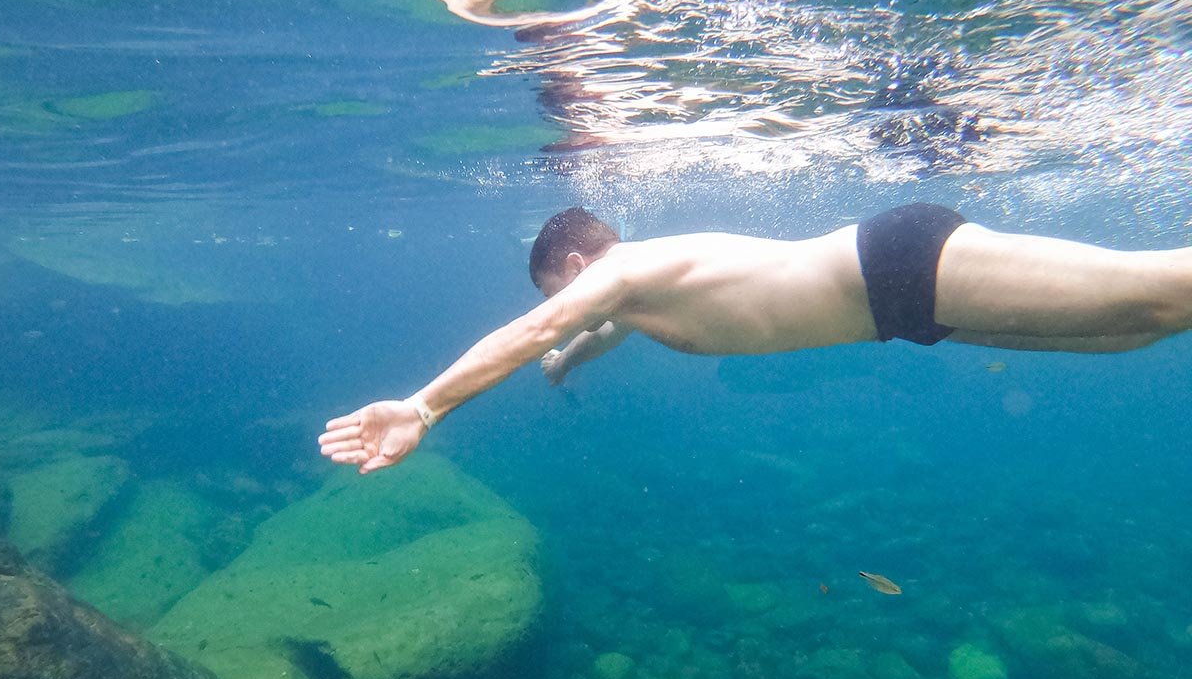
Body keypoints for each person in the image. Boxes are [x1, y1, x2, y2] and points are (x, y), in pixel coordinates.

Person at [318, 203, 1191, 474]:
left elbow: (547, 320)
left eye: (570, 292)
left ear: (583, 261)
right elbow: (588, 330)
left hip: (896, 264)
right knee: (1133, 332)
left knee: (1158, 290)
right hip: (903, 314)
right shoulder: (629, 298)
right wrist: (566, 363)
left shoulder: (625, 272)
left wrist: (425, 407)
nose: (579, 307)